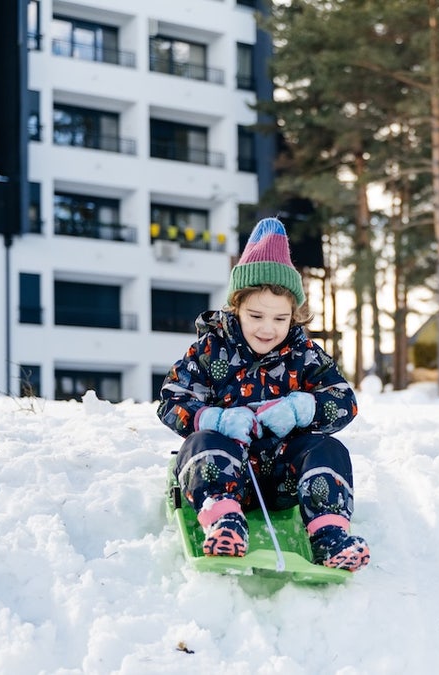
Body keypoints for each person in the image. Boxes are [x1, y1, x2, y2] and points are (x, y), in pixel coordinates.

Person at [156, 217, 370, 572]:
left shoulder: (305, 356)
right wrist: (215, 419)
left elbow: (345, 401)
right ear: (236, 306)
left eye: (280, 319)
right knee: (201, 442)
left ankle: (331, 535)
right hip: (227, 473)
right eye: (256, 315)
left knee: (326, 448)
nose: (268, 329)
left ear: (294, 317)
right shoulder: (211, 350)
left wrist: (303, 408)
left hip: (285, 477)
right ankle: (224, 524)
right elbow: (171, 400)